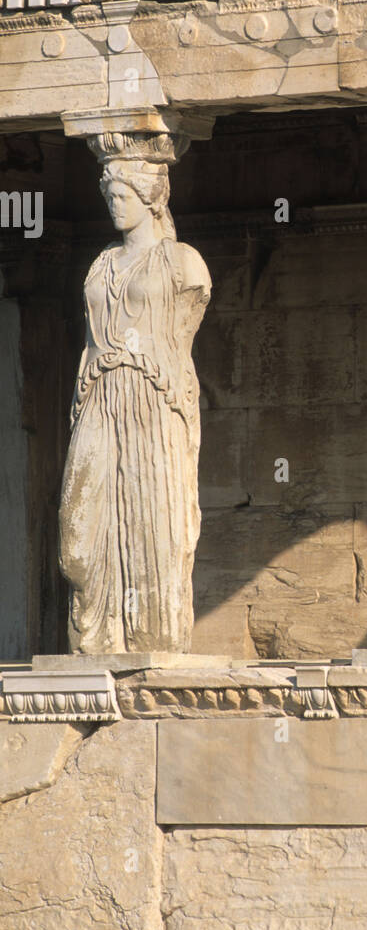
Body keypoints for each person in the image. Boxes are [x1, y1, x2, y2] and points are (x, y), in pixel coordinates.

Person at [59, 157, 210, 654]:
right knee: (76, 543)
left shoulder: (183, 262)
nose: (113, 206)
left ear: (151, 199)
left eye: (122, 196)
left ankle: (151, 644)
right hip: (100, 397)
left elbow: (181, 342)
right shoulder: (101, 263)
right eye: (109, 197)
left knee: (156, 530)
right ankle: (97, 637)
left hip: (152, 398)